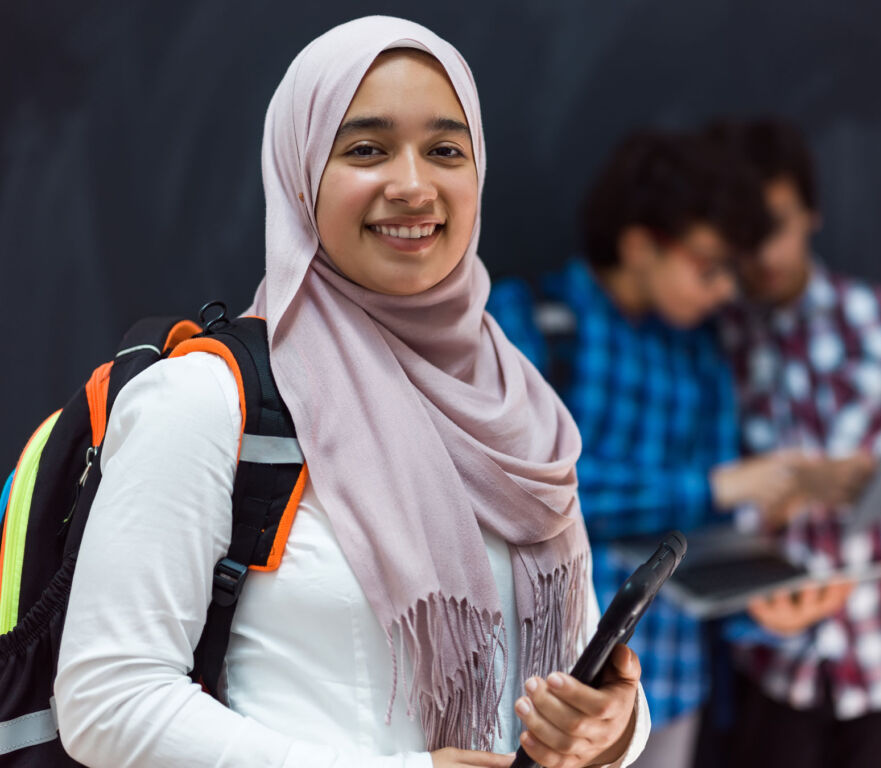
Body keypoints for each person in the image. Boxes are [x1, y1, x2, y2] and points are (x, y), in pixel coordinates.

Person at [53, 17, 651, 768]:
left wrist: (613, 730)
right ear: (301, 173)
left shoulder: (516, 403)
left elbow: (567, 662)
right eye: (366, 149)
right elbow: (109, 701)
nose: (412, 184)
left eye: (445, 150)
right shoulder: (209, 401)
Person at [488, 131, 851, 768]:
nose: (724, 292)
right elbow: (519, 493)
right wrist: (715, 485)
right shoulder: (527, 323)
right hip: (537, 690)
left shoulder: (704, 357)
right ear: (638, 244)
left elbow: (709, 539)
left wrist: (762, 603)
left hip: (672, 688)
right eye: (709, 267)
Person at [707, 116, 881, 768]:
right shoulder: (717, 338)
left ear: (812, 213)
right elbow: (710, 495)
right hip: (776, 660)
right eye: (744, 234)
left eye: (775, 224)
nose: (763, 253)